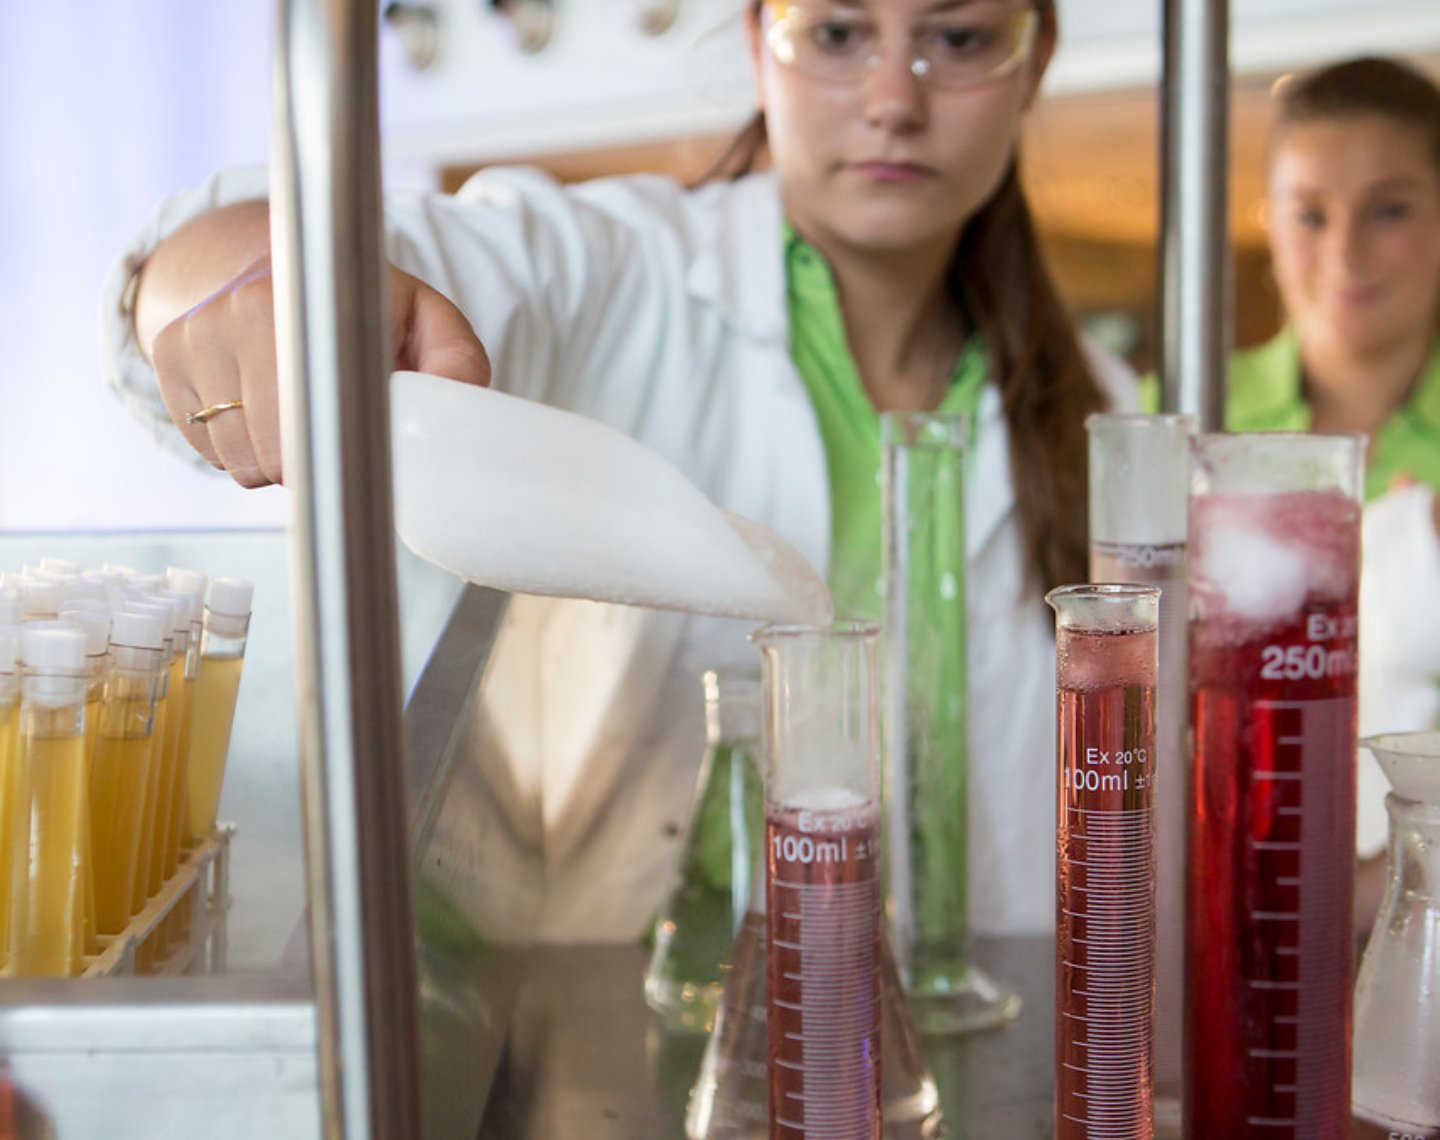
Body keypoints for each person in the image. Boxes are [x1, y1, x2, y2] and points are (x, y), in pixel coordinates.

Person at [100, 0, 1137, 941]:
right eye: (835, 34)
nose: (891, 100)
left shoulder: (1100, 406)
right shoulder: (610, 271)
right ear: (755, 44)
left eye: (958, 39)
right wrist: (252, 286)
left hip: (949, 1040)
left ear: (1034, 59)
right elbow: (252, 252)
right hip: (614, 1031)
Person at [1229, 56, 1440, 868]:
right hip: (1228, 890)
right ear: (1267, 219)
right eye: (1310, 214)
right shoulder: (1182, 414)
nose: (1346, 250)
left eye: (1388, 209)